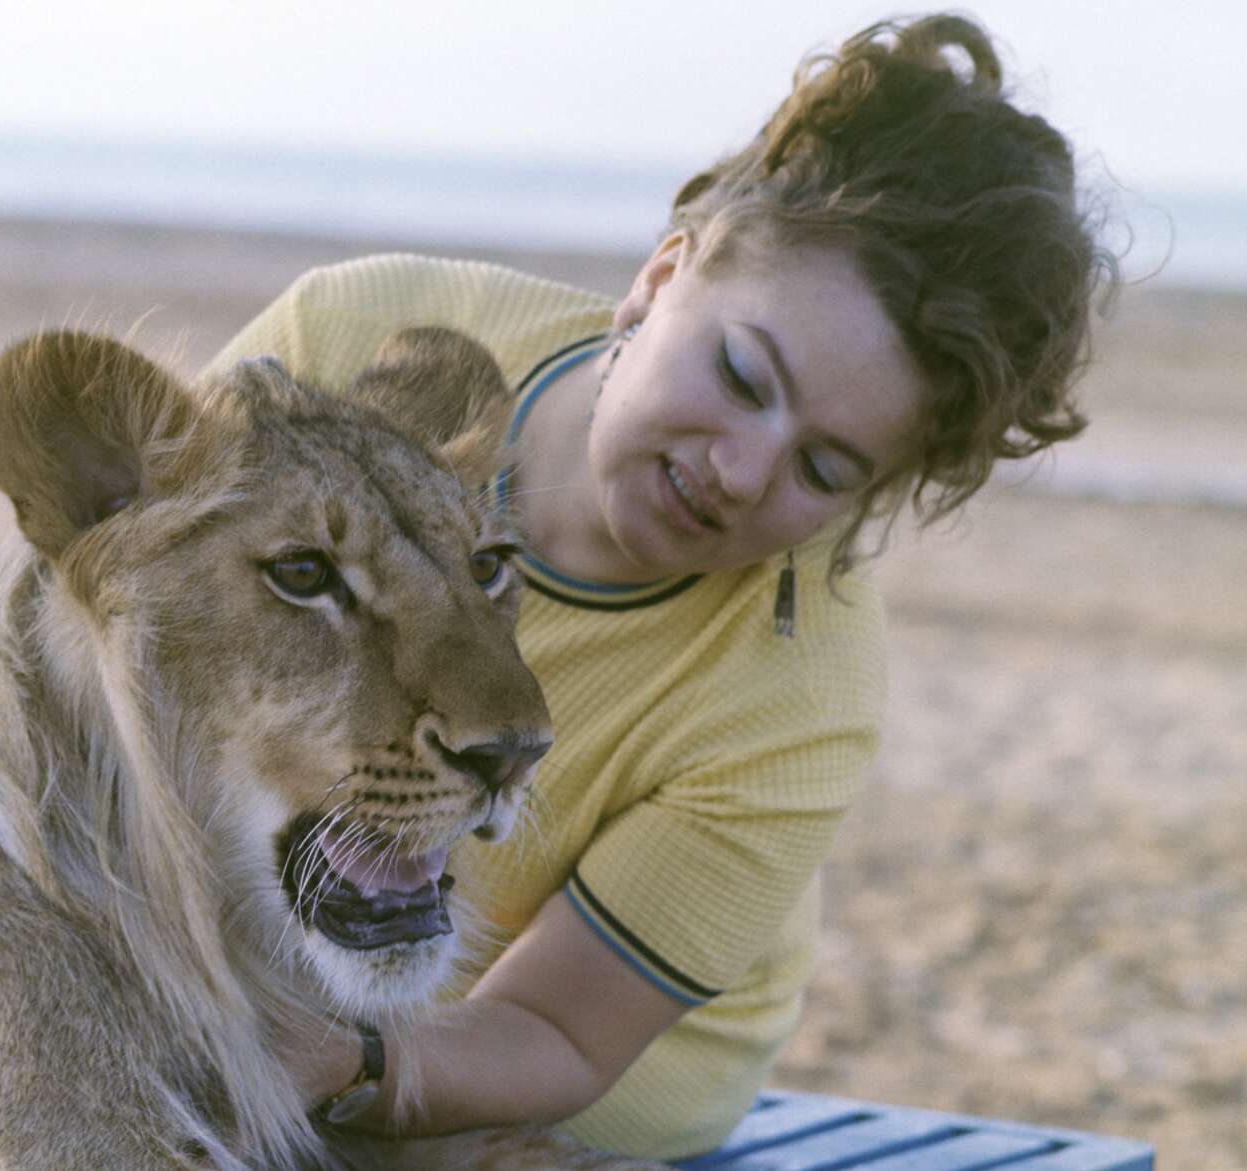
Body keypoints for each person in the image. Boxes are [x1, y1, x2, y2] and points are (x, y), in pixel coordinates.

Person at [199, 14, 1115, 1162]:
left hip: (545, 1057)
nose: (737, 472)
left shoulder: (801, 696)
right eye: (739, 373)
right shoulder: (349, 332)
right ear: (661, 273)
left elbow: (552, 1031)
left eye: (824, 468)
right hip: (272, 935)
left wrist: (334, 1062)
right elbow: (116, 622)